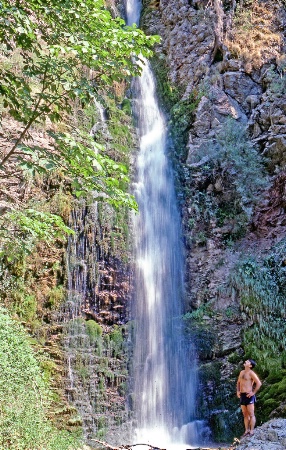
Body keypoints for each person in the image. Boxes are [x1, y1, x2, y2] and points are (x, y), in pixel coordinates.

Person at [236, 359, 262, 437]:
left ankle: (252, 430)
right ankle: (246, 430)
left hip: (249, 395)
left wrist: (253, 393)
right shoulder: (241, 372)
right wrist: (237, 391)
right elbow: (238, 382)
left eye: (247, 362)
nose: (245, 362)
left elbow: (259, 383)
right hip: (242, 395)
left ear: (250, 365)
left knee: (251, 414)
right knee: (245, 414)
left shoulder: (251, 373)